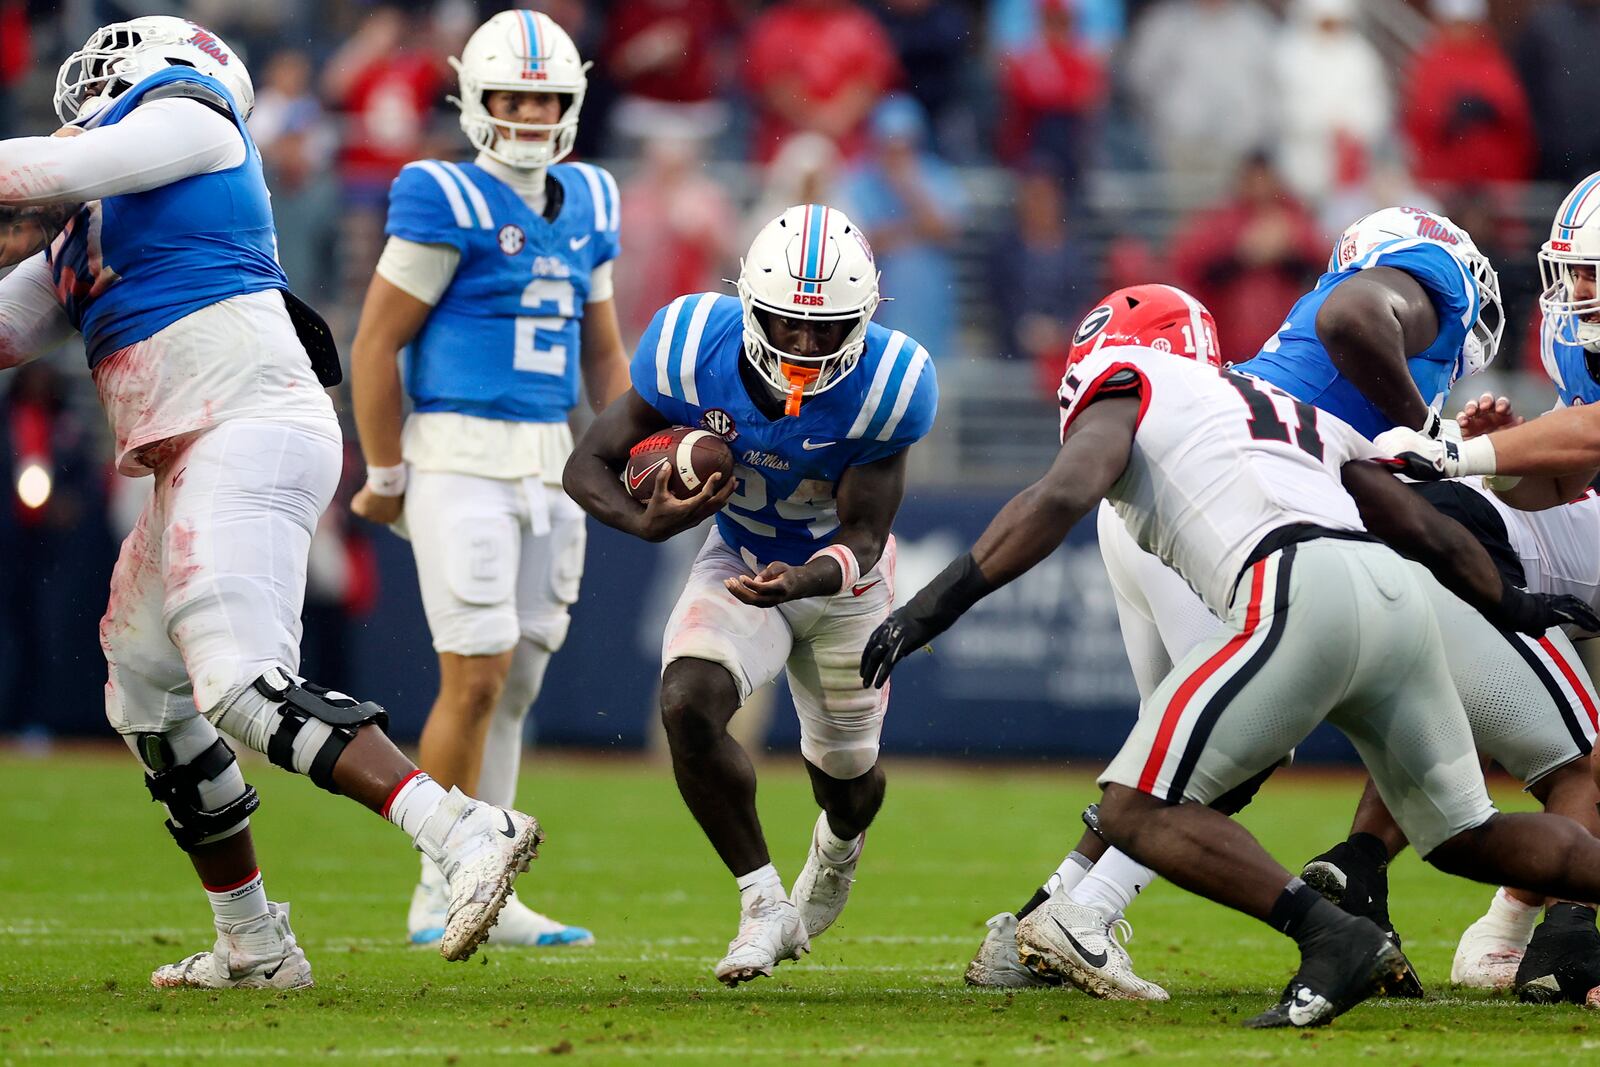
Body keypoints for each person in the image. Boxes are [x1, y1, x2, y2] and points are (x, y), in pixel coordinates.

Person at [861, 283, 1600, 1027]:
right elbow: (1419, 524)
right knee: (1467, 837)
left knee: (1135, 809)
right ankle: (1339, 930)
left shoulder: (1124, 377)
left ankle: (1332, 937)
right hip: (1399, 598)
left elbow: (1060, 496)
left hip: (1298, 585)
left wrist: (926, 610)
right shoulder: (1290, 409)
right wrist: (1515, 607)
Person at [0, 16, 540, 988]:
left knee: (242, 682)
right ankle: (251, 937)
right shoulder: (88, 227)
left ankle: (462, 828)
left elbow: (30, 171)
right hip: (190, 450)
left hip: (246, 418)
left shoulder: (194, 120)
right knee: (147, 696)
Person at [563, 204, 938, 985]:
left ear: (864, 318)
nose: (803, 345)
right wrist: (646, 520)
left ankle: (837, 849)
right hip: (737, 556)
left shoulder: (892, 384)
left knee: (847, 781)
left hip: (842, 585)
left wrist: (804, 579)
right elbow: (588, 463)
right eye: (785, 325)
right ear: (749, 307)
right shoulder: (690, 344)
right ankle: (764, 902)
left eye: (825, 329)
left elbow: (865, 536)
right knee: (686, 702)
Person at [349, 10, 628, 949]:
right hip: (458, 450)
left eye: (544, 98)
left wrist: (640, 449)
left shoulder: (590, 196)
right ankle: (442, 885)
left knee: (518, 683)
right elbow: (377, 343)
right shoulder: (441, 193)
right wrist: (385, 469)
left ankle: (491, 885)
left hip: (553, 457)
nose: (526, 113)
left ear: (574, 102)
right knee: (475, 675)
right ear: (471, 96)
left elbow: (603, 353)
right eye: (509, 94)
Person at [1233, 205, 1504, 442]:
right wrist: (1424, 428)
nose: (1475, 299)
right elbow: (1348, 316)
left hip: (1248, 414)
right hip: (1262, 425)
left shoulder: (1335, 300)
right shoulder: (1427, 280)